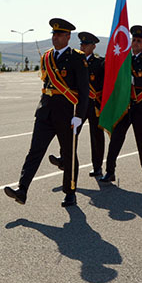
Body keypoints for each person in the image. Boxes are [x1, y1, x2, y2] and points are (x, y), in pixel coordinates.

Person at [5, 18, 89, 208]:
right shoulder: (47, 57)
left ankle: (70, 192)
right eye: (54, 34)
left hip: (67, 113)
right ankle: (22, 189)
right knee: (35, 150)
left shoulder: (77, 57)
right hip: (45, 111)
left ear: (68, 36)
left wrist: (79, 116)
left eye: (60, 34)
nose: (55, 37)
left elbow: (84, 91)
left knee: (68, 153)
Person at [98, 25, 142, 185]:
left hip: (140, 105)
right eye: (134, 40)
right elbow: (106, 68)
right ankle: (110, 171)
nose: (136, 43)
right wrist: (111, 56)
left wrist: (134, 80)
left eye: (139, 41)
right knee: (116, 138)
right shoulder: (123, 57)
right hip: (123, 105)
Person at [51, 31, 105, 178]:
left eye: (85, 44)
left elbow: (106, 84)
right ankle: (64, 159)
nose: (82, 46)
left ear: (93, 47)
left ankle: (98, 166)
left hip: (95, 104)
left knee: (96, 136)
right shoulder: (74, 59)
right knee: (71, 133)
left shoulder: (100, 62)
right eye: (81, 43)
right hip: (81, 104)